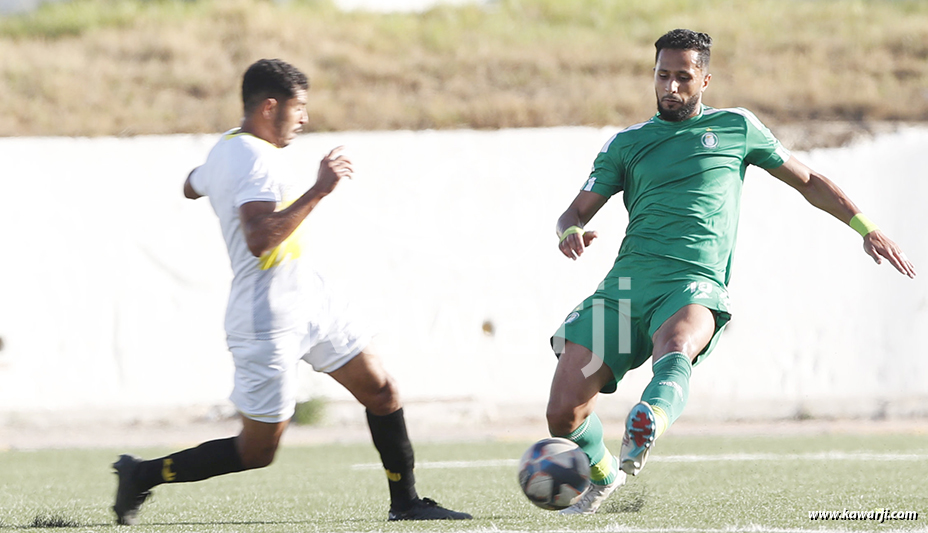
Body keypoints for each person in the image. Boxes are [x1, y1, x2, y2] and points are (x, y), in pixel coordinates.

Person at [546, 29, 917, 515]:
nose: (672, 87)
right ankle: (604, 474)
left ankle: (649, 418)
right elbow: (573, 213)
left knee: (676, 345)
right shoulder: (627, 143)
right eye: (664, 76)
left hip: (692, 282)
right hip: (627, 285)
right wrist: (568, 233)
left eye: (684, 77)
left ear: (705, 79)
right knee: (563, 410)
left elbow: (809, 181)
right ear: (653, 76)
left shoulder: (737, 128)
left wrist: (864, 226)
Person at [111, 58, 472, 525]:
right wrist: (319, 190)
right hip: (267, 319)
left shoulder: (230, 148)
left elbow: (189, 185)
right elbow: (259, 239)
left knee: (382, 392)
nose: (304, 118)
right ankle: (141, 474)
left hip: (309, 300)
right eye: (298, 107)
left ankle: (406, 503)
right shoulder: (255, 159)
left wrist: (216, 181)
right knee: (258, 450)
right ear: (268, 106)